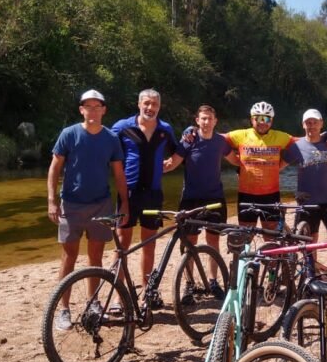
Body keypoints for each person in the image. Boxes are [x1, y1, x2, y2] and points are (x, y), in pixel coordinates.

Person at [47, 89, 129, 331]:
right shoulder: (69, 134)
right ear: (81, 110)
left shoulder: (111, 138)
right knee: (68, 257)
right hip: (71, 205)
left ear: (104, 110)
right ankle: (64, 309)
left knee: (96, 257)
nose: (92, 111)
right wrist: (51, 201)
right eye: (88, 107)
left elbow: (119, 174)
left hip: (101, 204)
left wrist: (124, 202)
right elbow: (54, 168)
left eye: (97, 107)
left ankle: (93, 303)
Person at [165, 104, 239, 300]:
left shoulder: (220, 142)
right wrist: (149, 169)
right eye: (203, 119)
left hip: (215, 197)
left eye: (209, 119)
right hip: (191, 198)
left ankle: (213, 282)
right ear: (197, 121)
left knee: (213, 240)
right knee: (189, 242)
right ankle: (189, 284)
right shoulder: (188, 140)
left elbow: (236, 160)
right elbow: (172, 163)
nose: (206, 122)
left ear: (215, 121)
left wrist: (260, 163)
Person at [111, 89, 179, 281]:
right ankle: (119, 292)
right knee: (122, 245)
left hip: (153, 194)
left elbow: (178, 152)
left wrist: (171, 164)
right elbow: (107, 153)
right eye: (146, 103)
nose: (150, 107)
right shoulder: (122, 127)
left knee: (149, 244)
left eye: (154, 104)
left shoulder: (165, 129)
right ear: (139, 104)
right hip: (128, 194)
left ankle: (146, 290)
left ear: (159, 107)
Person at [283, 109, 327, 271]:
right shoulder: (296, 147)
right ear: (303, 125)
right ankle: (313, 275)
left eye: (315, 122)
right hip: (307, 203)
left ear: (321, 124)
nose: (311, 125)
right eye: (308, 123)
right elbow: (277, 166)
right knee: (309, 242)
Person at [225, 101, 293, 227]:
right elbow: (215, 138)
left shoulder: (280, 137)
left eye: (266, 119)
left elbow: (303, 143)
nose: (262, 122)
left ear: (271, 121)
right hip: (246, 195)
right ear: (252, 119)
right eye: (258, 118)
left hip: (271, 195)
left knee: (270, 234)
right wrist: (194, 131)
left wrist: (325, 136)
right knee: (246, 234)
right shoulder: (241, 135)